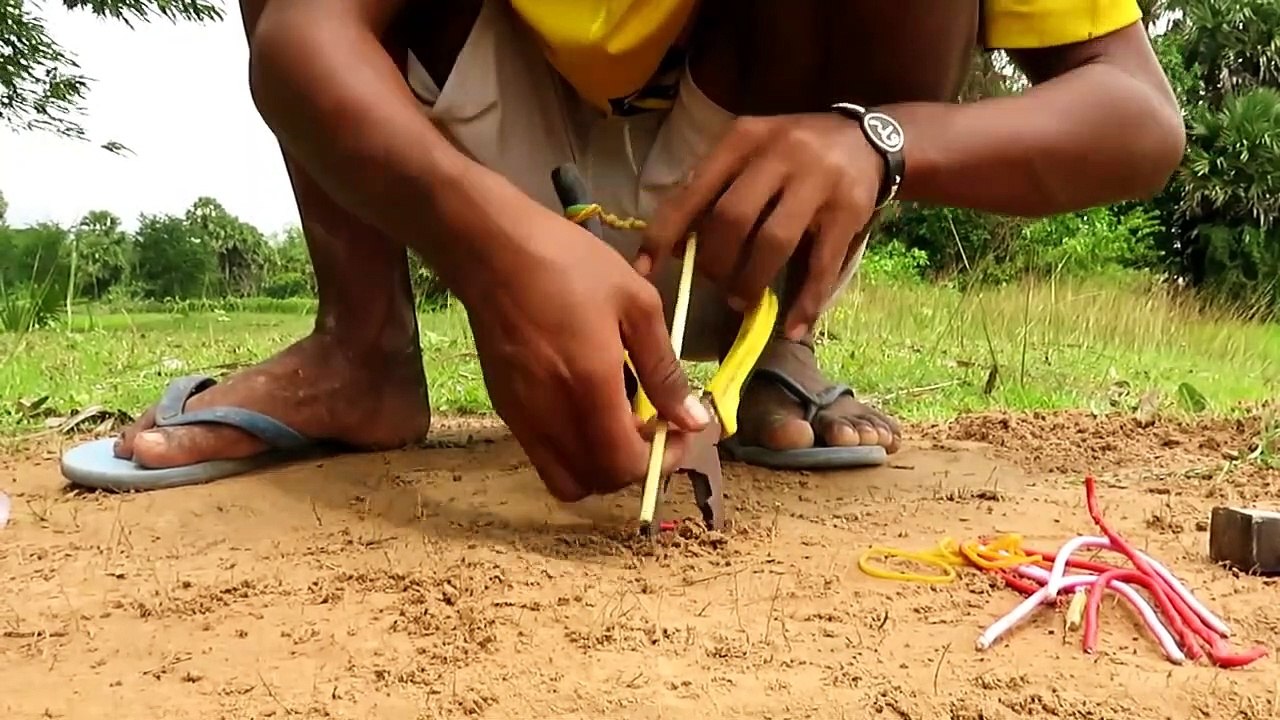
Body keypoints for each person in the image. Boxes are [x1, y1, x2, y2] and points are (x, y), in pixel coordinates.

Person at [102, 0, 1184, 501]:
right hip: (487, 171)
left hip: (745, 195)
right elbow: (302, 35)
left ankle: (767, 342)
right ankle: (362, 348)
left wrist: (880, 140)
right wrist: (489, 251)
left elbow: (1136, 117)